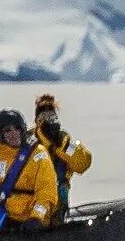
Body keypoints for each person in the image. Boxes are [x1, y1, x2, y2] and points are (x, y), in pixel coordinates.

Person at [0, 109, 58, 230]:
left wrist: (36, 218)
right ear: (1, 134)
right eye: (7, 130)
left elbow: (47, 192)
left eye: (17, 128)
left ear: (23, 129)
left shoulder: (38, 155)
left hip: (22, 219)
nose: (13, 134)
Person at [31, 93, 92, 221]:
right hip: (32, 209)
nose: (49, 121)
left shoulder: (65, 142)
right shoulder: (28, 142)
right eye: (44, 118)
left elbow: (83, 164)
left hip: (59, 209)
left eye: (52, 117)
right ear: (37, 120)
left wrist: (60, 148)